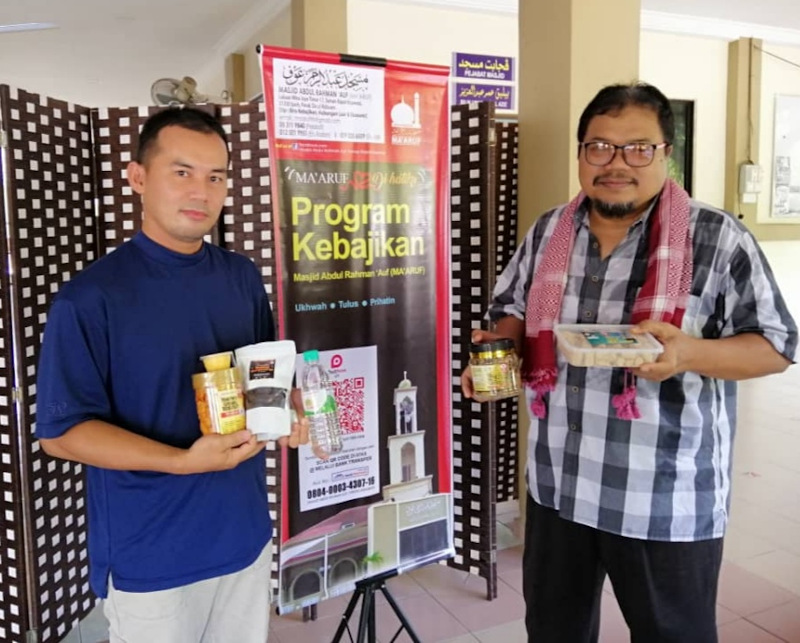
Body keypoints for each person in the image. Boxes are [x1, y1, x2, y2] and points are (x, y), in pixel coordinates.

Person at [462, 83, 797, 643]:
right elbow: (510, 309)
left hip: (661, 496)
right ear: (580, 154)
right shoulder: (548, 231)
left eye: (638, 148)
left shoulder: (717, 238)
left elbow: (777, 345)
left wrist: (689, 352)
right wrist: (499, 350)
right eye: (599, 147)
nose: (616, 164)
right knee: (553, 632)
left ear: (667, 154)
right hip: (559, 486)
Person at [35, 107, 308, 643]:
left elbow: (266, 377)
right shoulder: (91, 297)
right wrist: (182, 462)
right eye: (181, 172)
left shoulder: (241, 277)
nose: (201, 192)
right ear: (138, 177)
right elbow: (61, 434)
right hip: (151, 552)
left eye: (216, 176)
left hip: (243, 534)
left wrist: (291, 411)